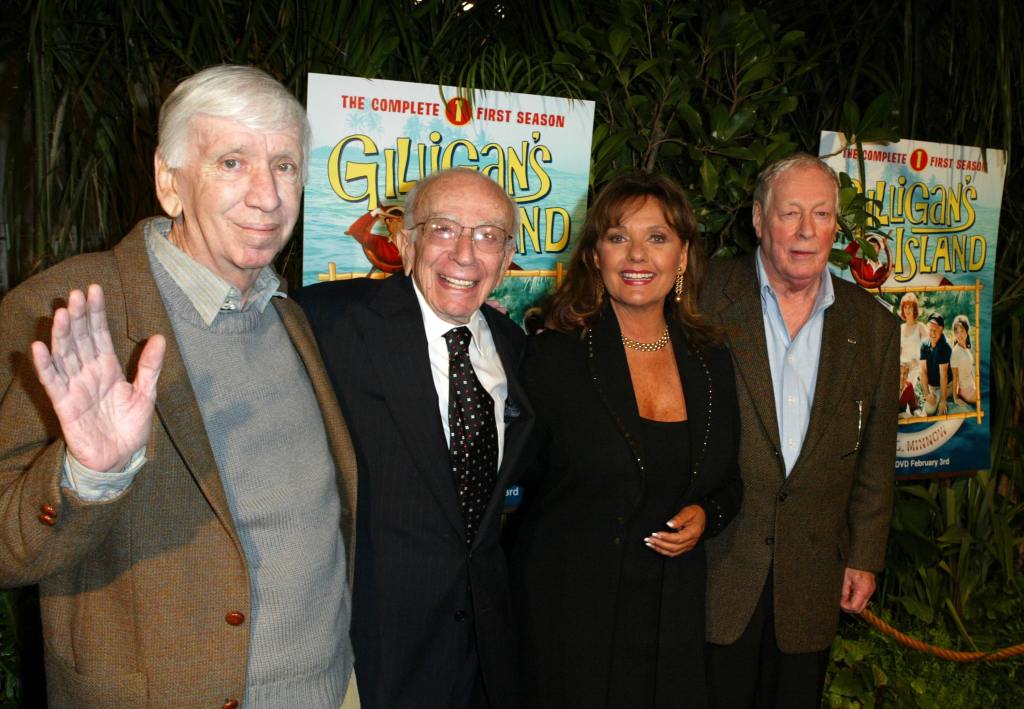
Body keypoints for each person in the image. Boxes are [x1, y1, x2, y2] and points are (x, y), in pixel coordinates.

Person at [0, 66, 358, 708]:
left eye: (284, 166)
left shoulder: (289, 317)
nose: (267, 196)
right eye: (231, 162)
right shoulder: (66, 313)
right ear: (171, 183)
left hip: (329, 690)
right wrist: (88, 475)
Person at [295, 167, 533, 709]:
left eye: (488, 236)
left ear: (507, 256)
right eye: (444, 229)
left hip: (483, 655)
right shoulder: (325, 324)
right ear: (407, 243)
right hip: (370, 649)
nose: (466, 255)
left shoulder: (516, 348)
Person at [505, 173, 742, 708]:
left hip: (670, 617)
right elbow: (512, 482)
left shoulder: (710, 360)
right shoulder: (553, 356)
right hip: (567, 619)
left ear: (682, 257)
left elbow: (731, 482)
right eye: (617, 237)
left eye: (657, 238)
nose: (637, 254)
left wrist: (708, 515)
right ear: (594, 256)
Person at [701, 153, 899, 707]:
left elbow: (876, 456)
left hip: (813, 572)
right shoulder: (703, 297)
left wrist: (864, 554)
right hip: (716, 565)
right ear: (759, 221)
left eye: (822, 214)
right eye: (790, 213)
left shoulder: (874, 327)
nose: (807, 231)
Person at [920, 312, 952, 416]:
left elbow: (944, 376)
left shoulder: (945, 347)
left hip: (946, 385)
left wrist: (943, 400)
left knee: (935, 410)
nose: (932, 333)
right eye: (930, 329)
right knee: (929, 409)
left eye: (935, 330)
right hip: (932, 388)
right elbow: (923, 371)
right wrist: (926, 394)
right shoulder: (924, 345)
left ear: (941, 329)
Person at [898, 291, 928, 388]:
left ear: (915, 309)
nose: (907, 310)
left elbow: (929, 349)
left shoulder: (920, 327)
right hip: (901, 368)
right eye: (905, 307)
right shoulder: (901, 328)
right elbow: (898, 351)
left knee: (908, 392)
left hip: (915, 367)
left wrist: (917, 361)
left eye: (910, 307)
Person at [950, 314, 977, 407]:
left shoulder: (966, 348)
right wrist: (955, 398)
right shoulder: (955, 352)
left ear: (967, 331)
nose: (959, 335)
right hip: (965, 390)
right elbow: (955, 377)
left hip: (972, 385)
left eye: (962, 331)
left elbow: (970, 370)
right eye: (956, 332)